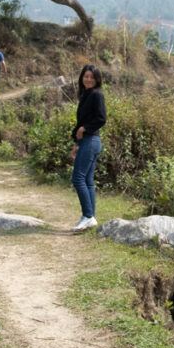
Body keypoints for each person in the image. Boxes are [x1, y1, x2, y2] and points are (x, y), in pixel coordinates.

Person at [70, 65, 106, 232]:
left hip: (91, 140)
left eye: (92, 77)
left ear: (97, 79)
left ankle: (88, 216)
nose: (88, 79)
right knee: (88, 181)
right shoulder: (86, 95)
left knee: (78, 178)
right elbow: (81, 123)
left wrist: (85, 129)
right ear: (82, 78)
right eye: (86, 76)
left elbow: (101, 119)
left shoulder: (97, 95)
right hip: (87, 141)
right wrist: (76, 143)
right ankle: (90, 216)